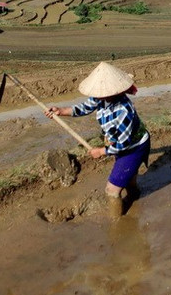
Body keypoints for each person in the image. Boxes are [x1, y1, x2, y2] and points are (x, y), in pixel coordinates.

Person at [44, 62, 149, 220]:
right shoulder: (101, 97)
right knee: (128, 179)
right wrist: (61, 111)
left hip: (133, 147)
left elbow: (123, 144)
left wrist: (100, 151)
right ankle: (134, 197)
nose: (97, 95)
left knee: (112, 190)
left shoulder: (123, 110)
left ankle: (117, 222)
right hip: (120, 143)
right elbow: (84, 108)